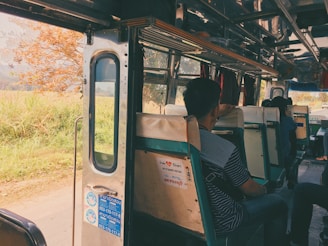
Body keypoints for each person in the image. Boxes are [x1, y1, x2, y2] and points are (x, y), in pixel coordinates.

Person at [183, 78, 288, 246]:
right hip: (222, 222)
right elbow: (250, 190)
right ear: (215, 109)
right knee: (279, 204)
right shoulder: (224, 148)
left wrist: (215, 111)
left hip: (185, 215)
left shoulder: (176, 137)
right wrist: (264, 190)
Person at [271, 96, 297, 187]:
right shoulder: (288, 120)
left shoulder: (267, 120)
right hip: (285, 156)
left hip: (270, 155)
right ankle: (291, 179)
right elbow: (293, 132)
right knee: (292, 147)